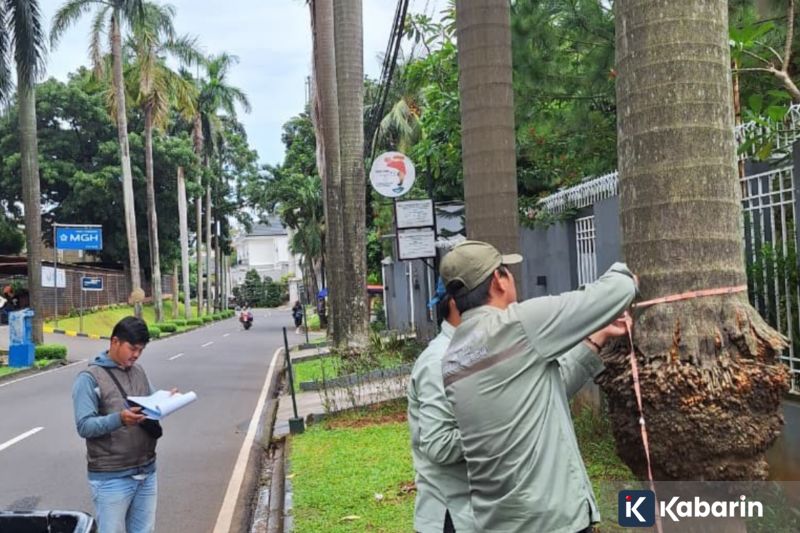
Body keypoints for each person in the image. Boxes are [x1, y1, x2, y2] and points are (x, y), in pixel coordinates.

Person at [439, 240, 637, 533]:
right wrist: (625, 276)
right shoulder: (518, 324)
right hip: (550, 521)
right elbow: (614, 292)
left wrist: (598, 336)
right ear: (498, 280)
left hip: (499, 522)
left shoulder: (454, 357)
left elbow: (544, 389)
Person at [72, 316, 168, 533]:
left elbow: (152, 402)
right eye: (132, 348)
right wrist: (119, 419)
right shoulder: (89, 378)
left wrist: (167, 401)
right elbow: (84, 426)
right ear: (115, 342)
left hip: (146, 470)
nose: (136, 355)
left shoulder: (139, 371)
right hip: (112, 477)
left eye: (140, 350)